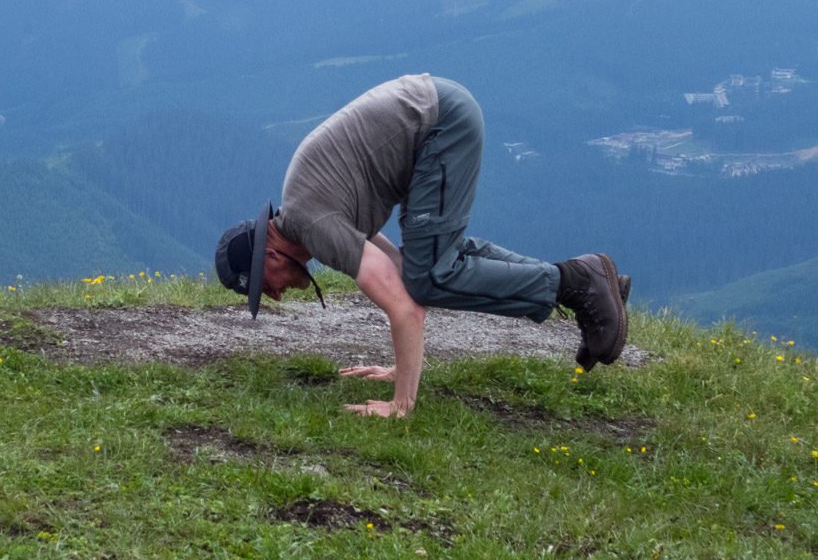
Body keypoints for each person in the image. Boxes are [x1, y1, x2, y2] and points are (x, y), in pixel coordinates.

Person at [214, 74, 630, 417]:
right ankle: (582, 281)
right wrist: (400, 367)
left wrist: (401, 404)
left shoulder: (312, 220)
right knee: (429, 265)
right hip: (436, 116)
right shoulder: (313, 211)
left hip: (438, 124)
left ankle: (579, 282)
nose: (272, 296)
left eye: (260, 286)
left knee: (432, 275)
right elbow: (401, 273)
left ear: (269, 254)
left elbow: (406, 304)